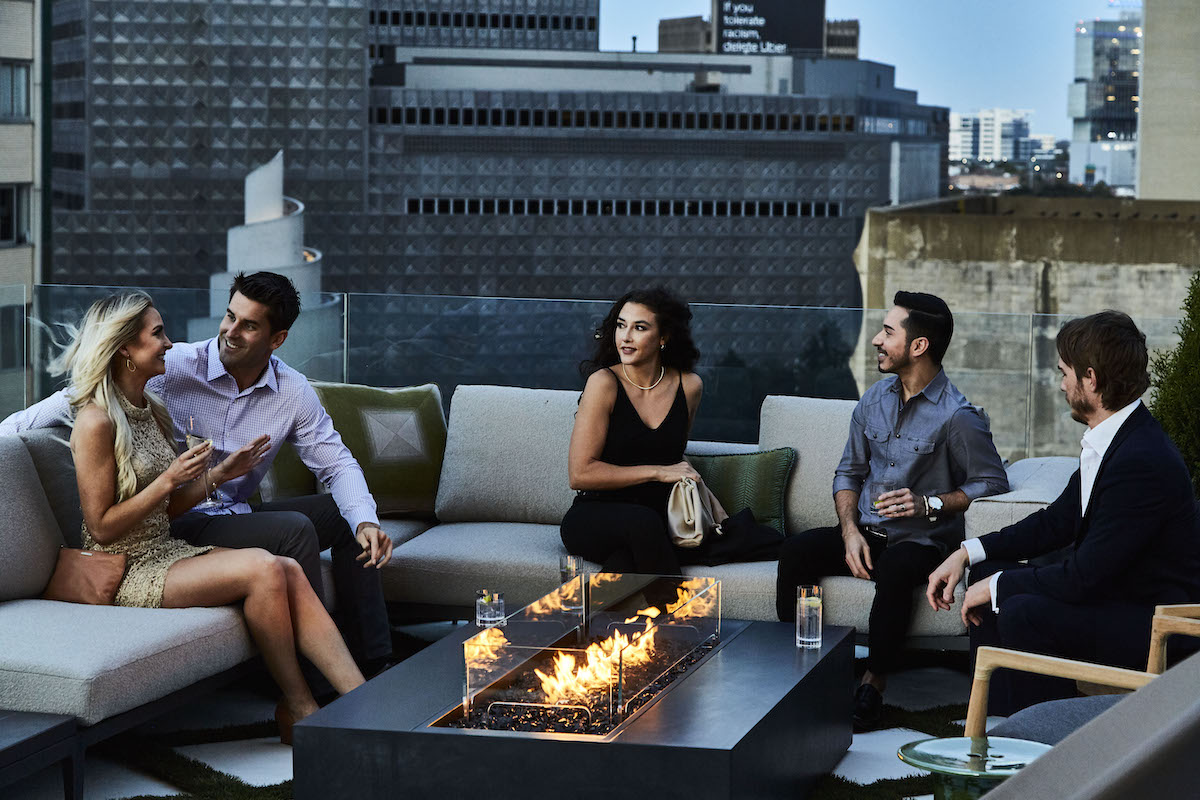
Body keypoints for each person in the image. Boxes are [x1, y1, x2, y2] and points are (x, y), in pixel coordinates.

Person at [1, 272, 393, 674]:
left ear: (277, 340)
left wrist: (365, 519)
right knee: (293, 529)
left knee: (345, 518)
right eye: (230, 316)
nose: (231, 331)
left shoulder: (292, 392)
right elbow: (74, 401)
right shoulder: (171, 365)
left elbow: (337, 462)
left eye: (249, 325)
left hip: (232, 514)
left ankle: (376, 661)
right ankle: (313, 682)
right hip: (179, 518)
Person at [59, 292, 363, 743]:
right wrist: (168, 481)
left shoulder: (153, 408)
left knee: (287, 569)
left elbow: (172, 510)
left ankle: (364, 704)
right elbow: (101, 526)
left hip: (165, 548)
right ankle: (300, 704)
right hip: (123, 569)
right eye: (157, 334)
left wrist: (219, 474)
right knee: (264, 567)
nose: (168, 343)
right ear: (125, 346)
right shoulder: (96, 421)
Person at [926, 310, 1200, 716]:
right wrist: (968, 552)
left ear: (1090, 379)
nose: (1060, 385)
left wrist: (999, 587)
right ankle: (996, 726)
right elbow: (1056, 522)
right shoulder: (1115, 440)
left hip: (1156, 624)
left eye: (1064, 373)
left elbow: (1084, 577)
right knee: (987, 577)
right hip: (1117, 599)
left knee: (1020, 609)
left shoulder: (1141, 459)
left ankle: (1046, 741)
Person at [776, 291, 1009, 731]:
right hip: (866, 532)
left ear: (918, 346)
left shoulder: (958, 416)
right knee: (797, 551)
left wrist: (932, 502)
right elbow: (848, 472)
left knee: (900, 568)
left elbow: (992, 481)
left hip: (922, 542)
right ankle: (797, 672)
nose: (876, 341)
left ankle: (872, 683)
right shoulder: (873, 401)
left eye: (887, 332)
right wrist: (848, 532)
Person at [560, 287, 704, 578]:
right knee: (643, 524)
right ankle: (681, 616)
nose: (625, 337)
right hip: (596, 513)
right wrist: (657, 472)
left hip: (656, 517)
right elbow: (580, 475)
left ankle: (585, 617)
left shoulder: (689, 386)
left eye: (639, 328)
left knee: (629, 558)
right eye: (621, 325)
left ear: (663, 337)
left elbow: (671, 453)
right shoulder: (604, 383)